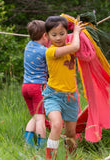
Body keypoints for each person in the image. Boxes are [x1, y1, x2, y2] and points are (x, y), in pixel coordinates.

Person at [42, 16, 85, 159]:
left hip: (71, 97)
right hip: (53, 96)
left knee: (71, 133)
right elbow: (75, 46)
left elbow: (79, 47)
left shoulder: (69, 46)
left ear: (67, 33)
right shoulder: (50, 51)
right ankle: (50, 157)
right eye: (54, 35)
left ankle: (72, 156)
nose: (58, 38)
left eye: (62, 34)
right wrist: (77, 32)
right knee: (56, 124)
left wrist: (81, 33)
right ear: (47, 36)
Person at [21, 20, 49, 149]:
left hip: (25, 87)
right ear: (44, 36)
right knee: (40, 119)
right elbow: (50, 69)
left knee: (35, 116)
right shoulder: (44, 51)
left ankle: (28, 144)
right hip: (38, 87)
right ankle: (42, 147)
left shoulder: (28, 46)